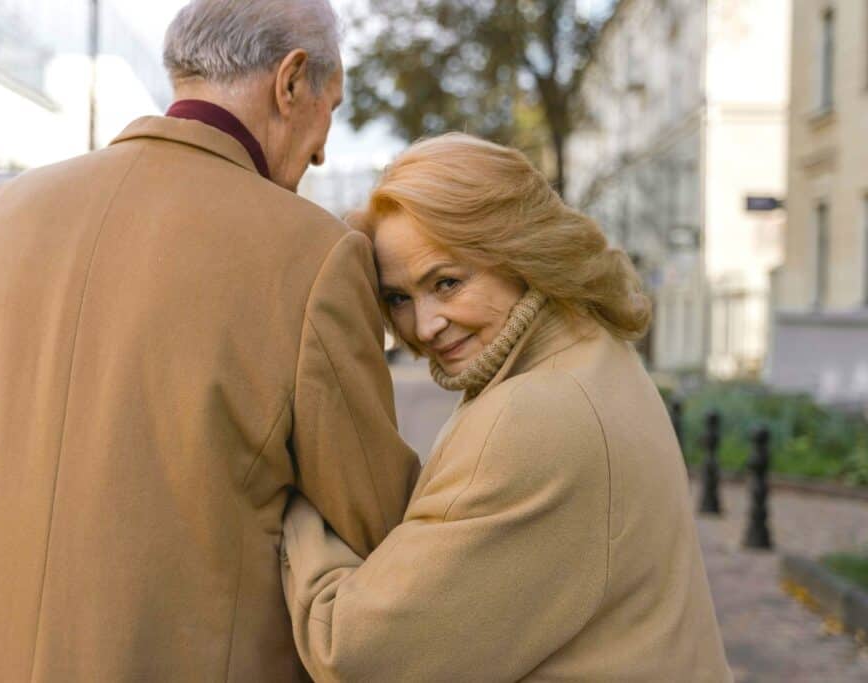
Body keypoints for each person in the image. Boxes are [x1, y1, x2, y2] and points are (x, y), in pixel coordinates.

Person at [0, 1, 420, 679]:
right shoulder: (316, 254)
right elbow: (375, 528)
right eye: (330, 108)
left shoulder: (0, 217)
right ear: (291, 80)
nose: (321, 149)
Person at [281, 133, 732, 682]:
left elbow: (356, 656)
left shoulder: (531, 415)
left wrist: (298, 511)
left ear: (521, 254)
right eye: (399, 299)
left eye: (447, 283)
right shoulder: (595, 353)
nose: (424, 326)